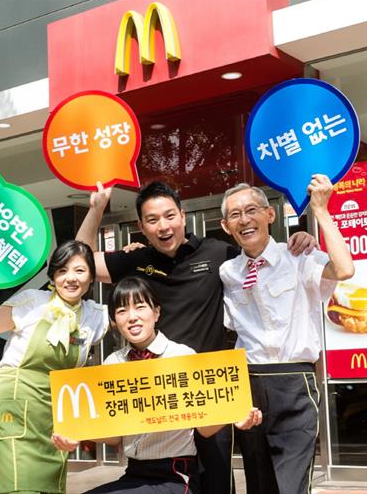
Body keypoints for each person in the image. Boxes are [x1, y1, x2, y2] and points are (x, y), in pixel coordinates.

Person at [75, 181, 317, 494]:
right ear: (141, 227)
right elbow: (79, 262)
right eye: (152, 220)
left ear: (183, 216)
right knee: (168, 483)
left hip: (210, 392)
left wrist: (301, 239)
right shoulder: (136, 260)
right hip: (159, 396)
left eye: (169, 216)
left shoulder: (219, 254)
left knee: (217, 483)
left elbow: (259, 252)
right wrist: (96, 210)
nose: (163, 226)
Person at [53, 276, 262, 493]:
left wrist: (234, 414)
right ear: (115, 320)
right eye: (122, 311)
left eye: (140, 307)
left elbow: (204, 429)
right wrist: (77, 433)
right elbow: (114, 436)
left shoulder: (182, 356)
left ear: (156, 312)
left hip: (177, 474)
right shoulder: (113, 363)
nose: (132, 317)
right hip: (134, 473)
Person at [218, 174, 354, 494]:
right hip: (249, 384)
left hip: (295, 382)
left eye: (252, 210)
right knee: (259, 483)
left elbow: (344, 269)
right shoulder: (227, 272)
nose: (244, 219)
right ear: (225, 226)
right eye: (235, 214)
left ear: (270, 214)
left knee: (292, 485)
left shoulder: (298, 256)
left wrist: (321, 211)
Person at [0, 240, 108, 494]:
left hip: (56, 411)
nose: (70, 278)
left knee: (48, 485)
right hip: (16, 402)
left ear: (92, 277)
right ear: (53, 276)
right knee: (14, 483)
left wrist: (135, 258)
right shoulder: (32, 301)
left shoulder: (94, 315)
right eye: (62, 271)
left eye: (79, 270)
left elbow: (136, 318)